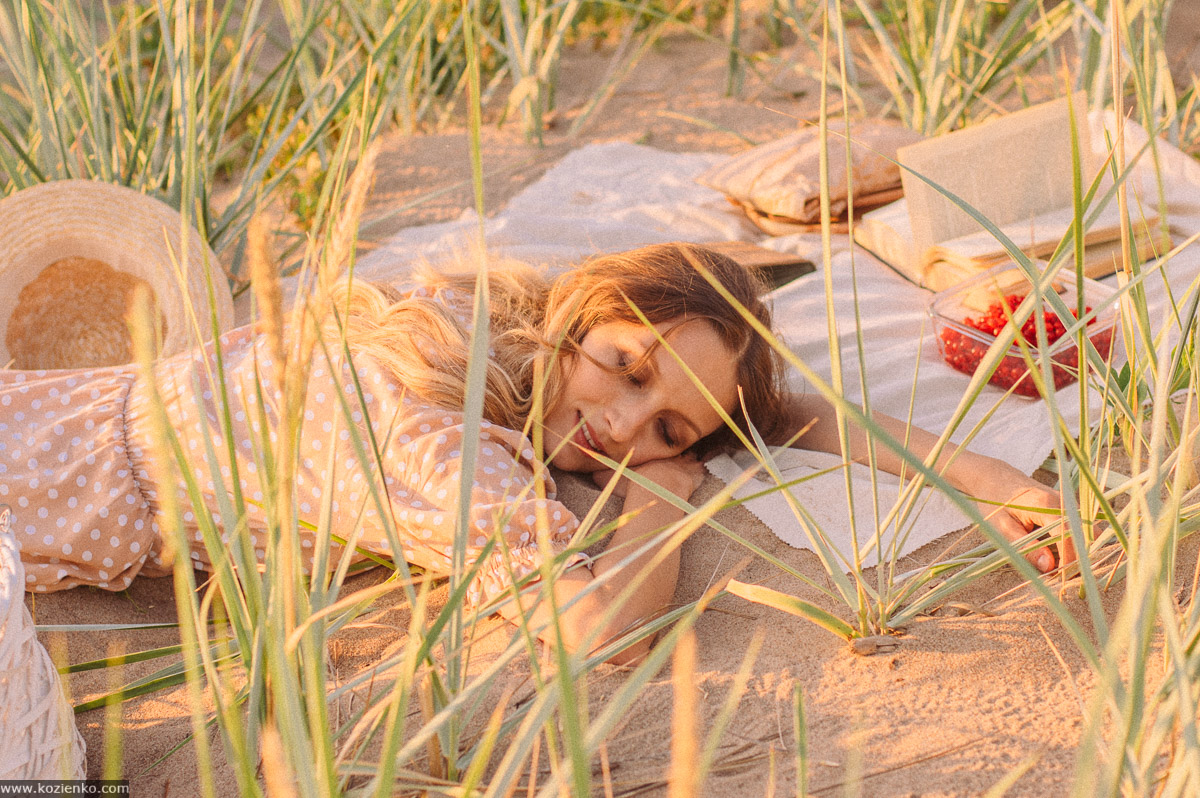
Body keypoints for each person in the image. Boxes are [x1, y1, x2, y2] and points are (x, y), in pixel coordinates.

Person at [0, 243, 1064, 661]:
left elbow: (793, 418)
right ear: (584, 315)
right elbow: (597, 635)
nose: (623, 429)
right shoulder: (428, 433)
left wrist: (991, 478)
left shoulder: (484, 325)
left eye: (669, 430)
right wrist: (666, 494)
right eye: (627, 368)